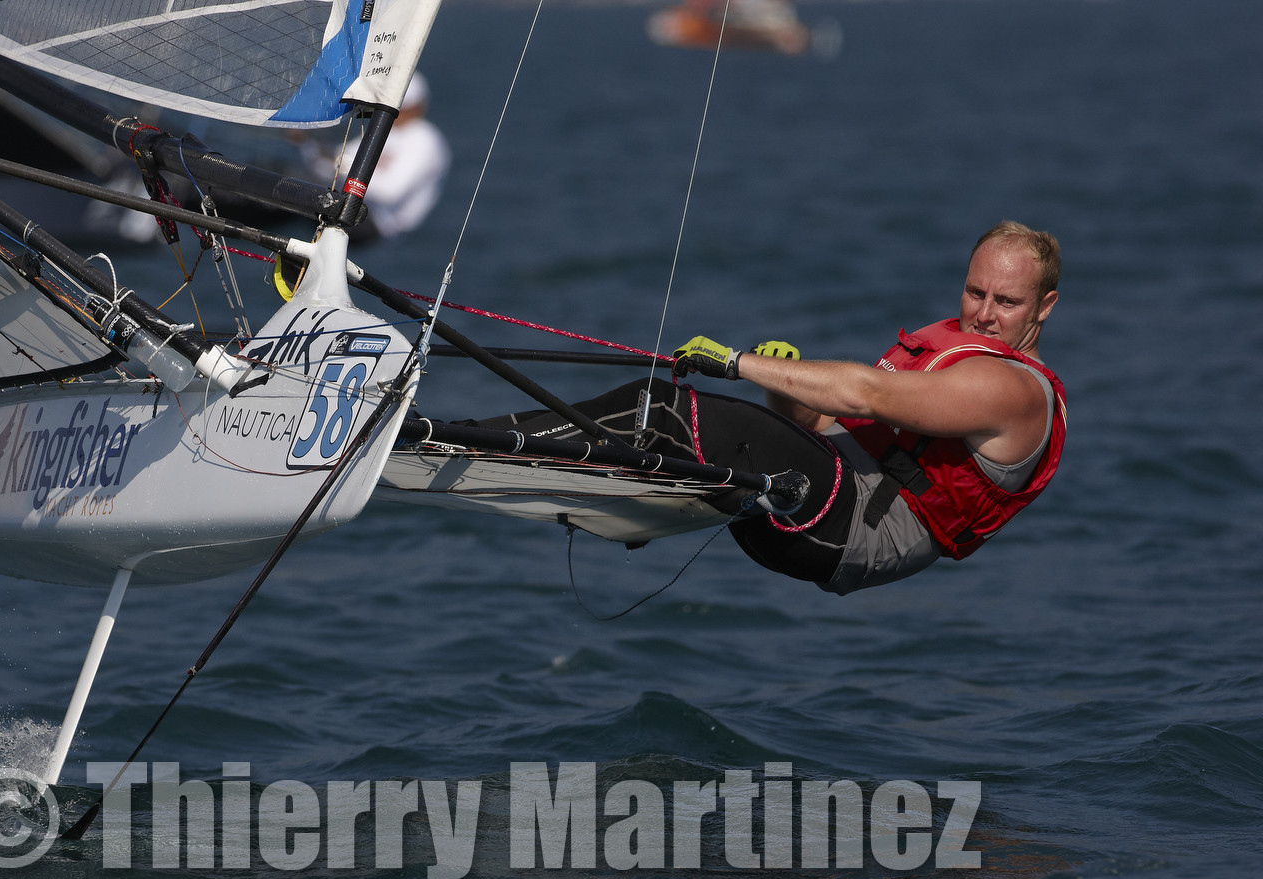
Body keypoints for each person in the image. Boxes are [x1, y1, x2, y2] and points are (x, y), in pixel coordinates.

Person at [485, 222, 1065, 595]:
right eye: (975, 292)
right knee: (658, 419)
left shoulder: (1011, 389)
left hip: (856, 532)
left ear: (1044, 308)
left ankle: (460, 441)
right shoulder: (959, 348)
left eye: (1007, 302)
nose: (984, 314)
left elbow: (868, 394)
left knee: (661, 410)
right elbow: (815, 425)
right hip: (820, 497)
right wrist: (783, 387)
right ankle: (582, 482)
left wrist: (736, 362)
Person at [299, 72, 450, 242]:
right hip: (343, 202)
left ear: (418, 106)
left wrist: (341, 165)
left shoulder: (425, 138)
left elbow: (389, 192)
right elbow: (328, 171)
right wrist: (307, 147)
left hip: (377, 222)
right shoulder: (385, 132)